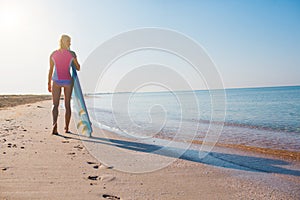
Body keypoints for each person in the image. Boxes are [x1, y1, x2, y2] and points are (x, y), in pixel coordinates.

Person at [48, 35, 80, 135]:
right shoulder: (72, 54)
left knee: (55, 104)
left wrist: (49, 83)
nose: (70, 43)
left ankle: (54, 125)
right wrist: (74, 59)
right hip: (67, 81)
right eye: (69, 41)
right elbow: (78, 68)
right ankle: (66, 128)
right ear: (66, 42)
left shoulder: (53, 54)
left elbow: (51, 70)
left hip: (56, 81)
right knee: (67, 105)